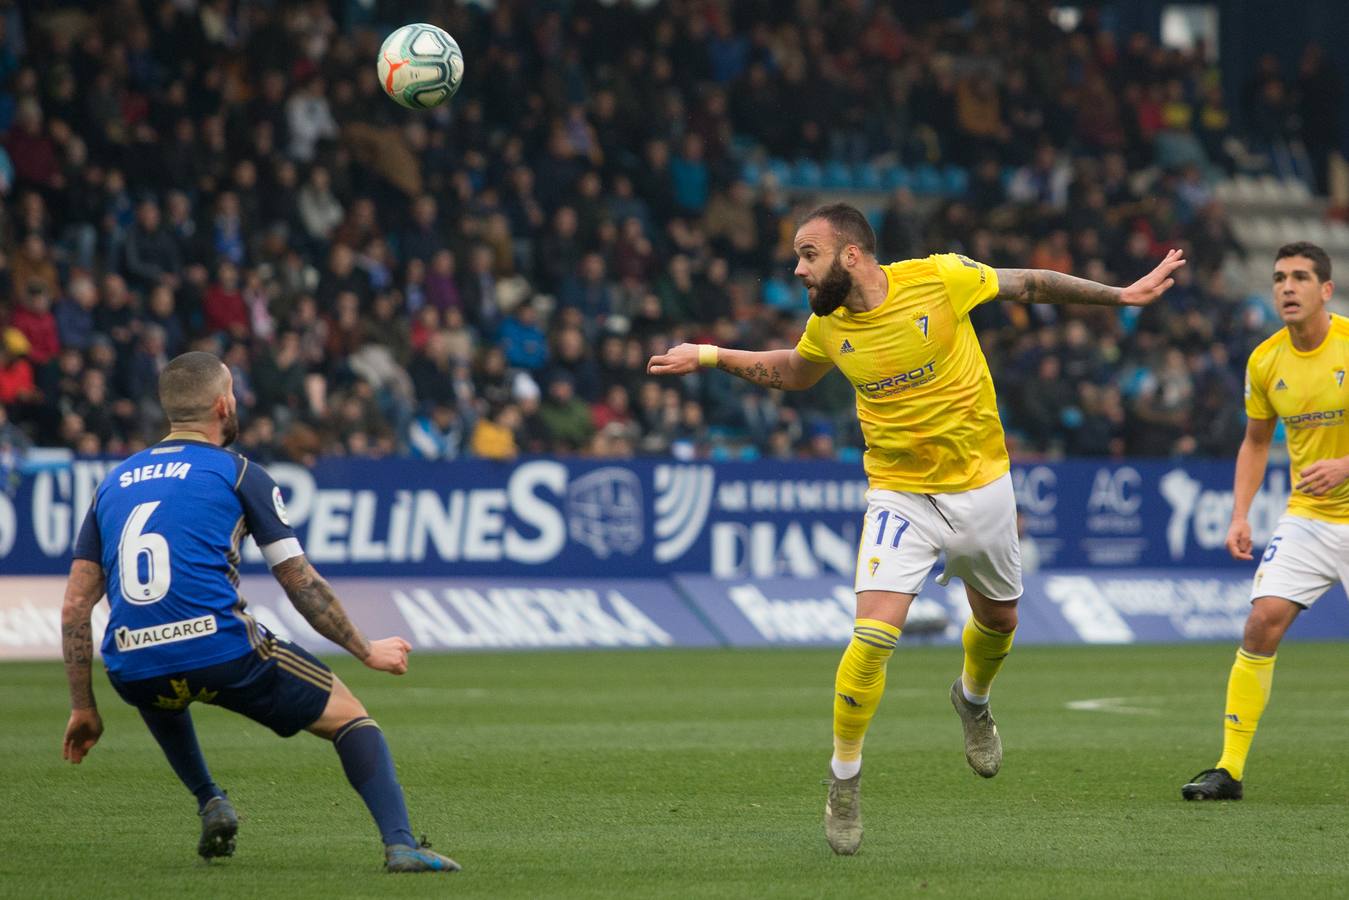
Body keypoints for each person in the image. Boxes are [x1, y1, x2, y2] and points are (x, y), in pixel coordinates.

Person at [647, 202, 1184, 855]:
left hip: (982, 485)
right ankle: (843, 778)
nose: (796, 270)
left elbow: (1029, 283)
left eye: (807, 255)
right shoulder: (830, 327)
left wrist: (1119, 295)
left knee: (1000, 623)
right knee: (872, 638)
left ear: (850, 255)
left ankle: (972, 699)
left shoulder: (938, 278)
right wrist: (708, 355)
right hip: (899, 495)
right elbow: (792, 371)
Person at [59, 351, 459, 873]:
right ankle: (402, 844)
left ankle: (209, 799)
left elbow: (74, 607)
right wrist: (365, 649)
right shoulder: (240, 472)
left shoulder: (111, 484)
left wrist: (83, 707)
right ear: (224, 404)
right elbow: (300, 582)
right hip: (220, 649)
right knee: (350, 717)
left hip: (131, 664)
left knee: (159, 678)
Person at [1182, 242, 1349, 801]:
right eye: (1279, 277)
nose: (1287, 287)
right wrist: (1239, 515)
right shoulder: (1265, 360)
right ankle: (1228, 769)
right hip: (1309, 518)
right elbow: (1255, 442)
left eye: (1301, 277)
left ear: (1326, 290)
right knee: (1261, 622)